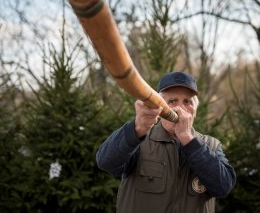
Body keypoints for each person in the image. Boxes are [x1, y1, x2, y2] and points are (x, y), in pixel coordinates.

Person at [96, 71, 236, 213]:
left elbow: (223, 187)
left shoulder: (211, 145)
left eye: (187, 102)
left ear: (195, 111)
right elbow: (106, 162)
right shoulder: (139, 139)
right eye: (172, 101)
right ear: (160, 109)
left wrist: (188, 139)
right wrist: (137, 128)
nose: (179, 108)